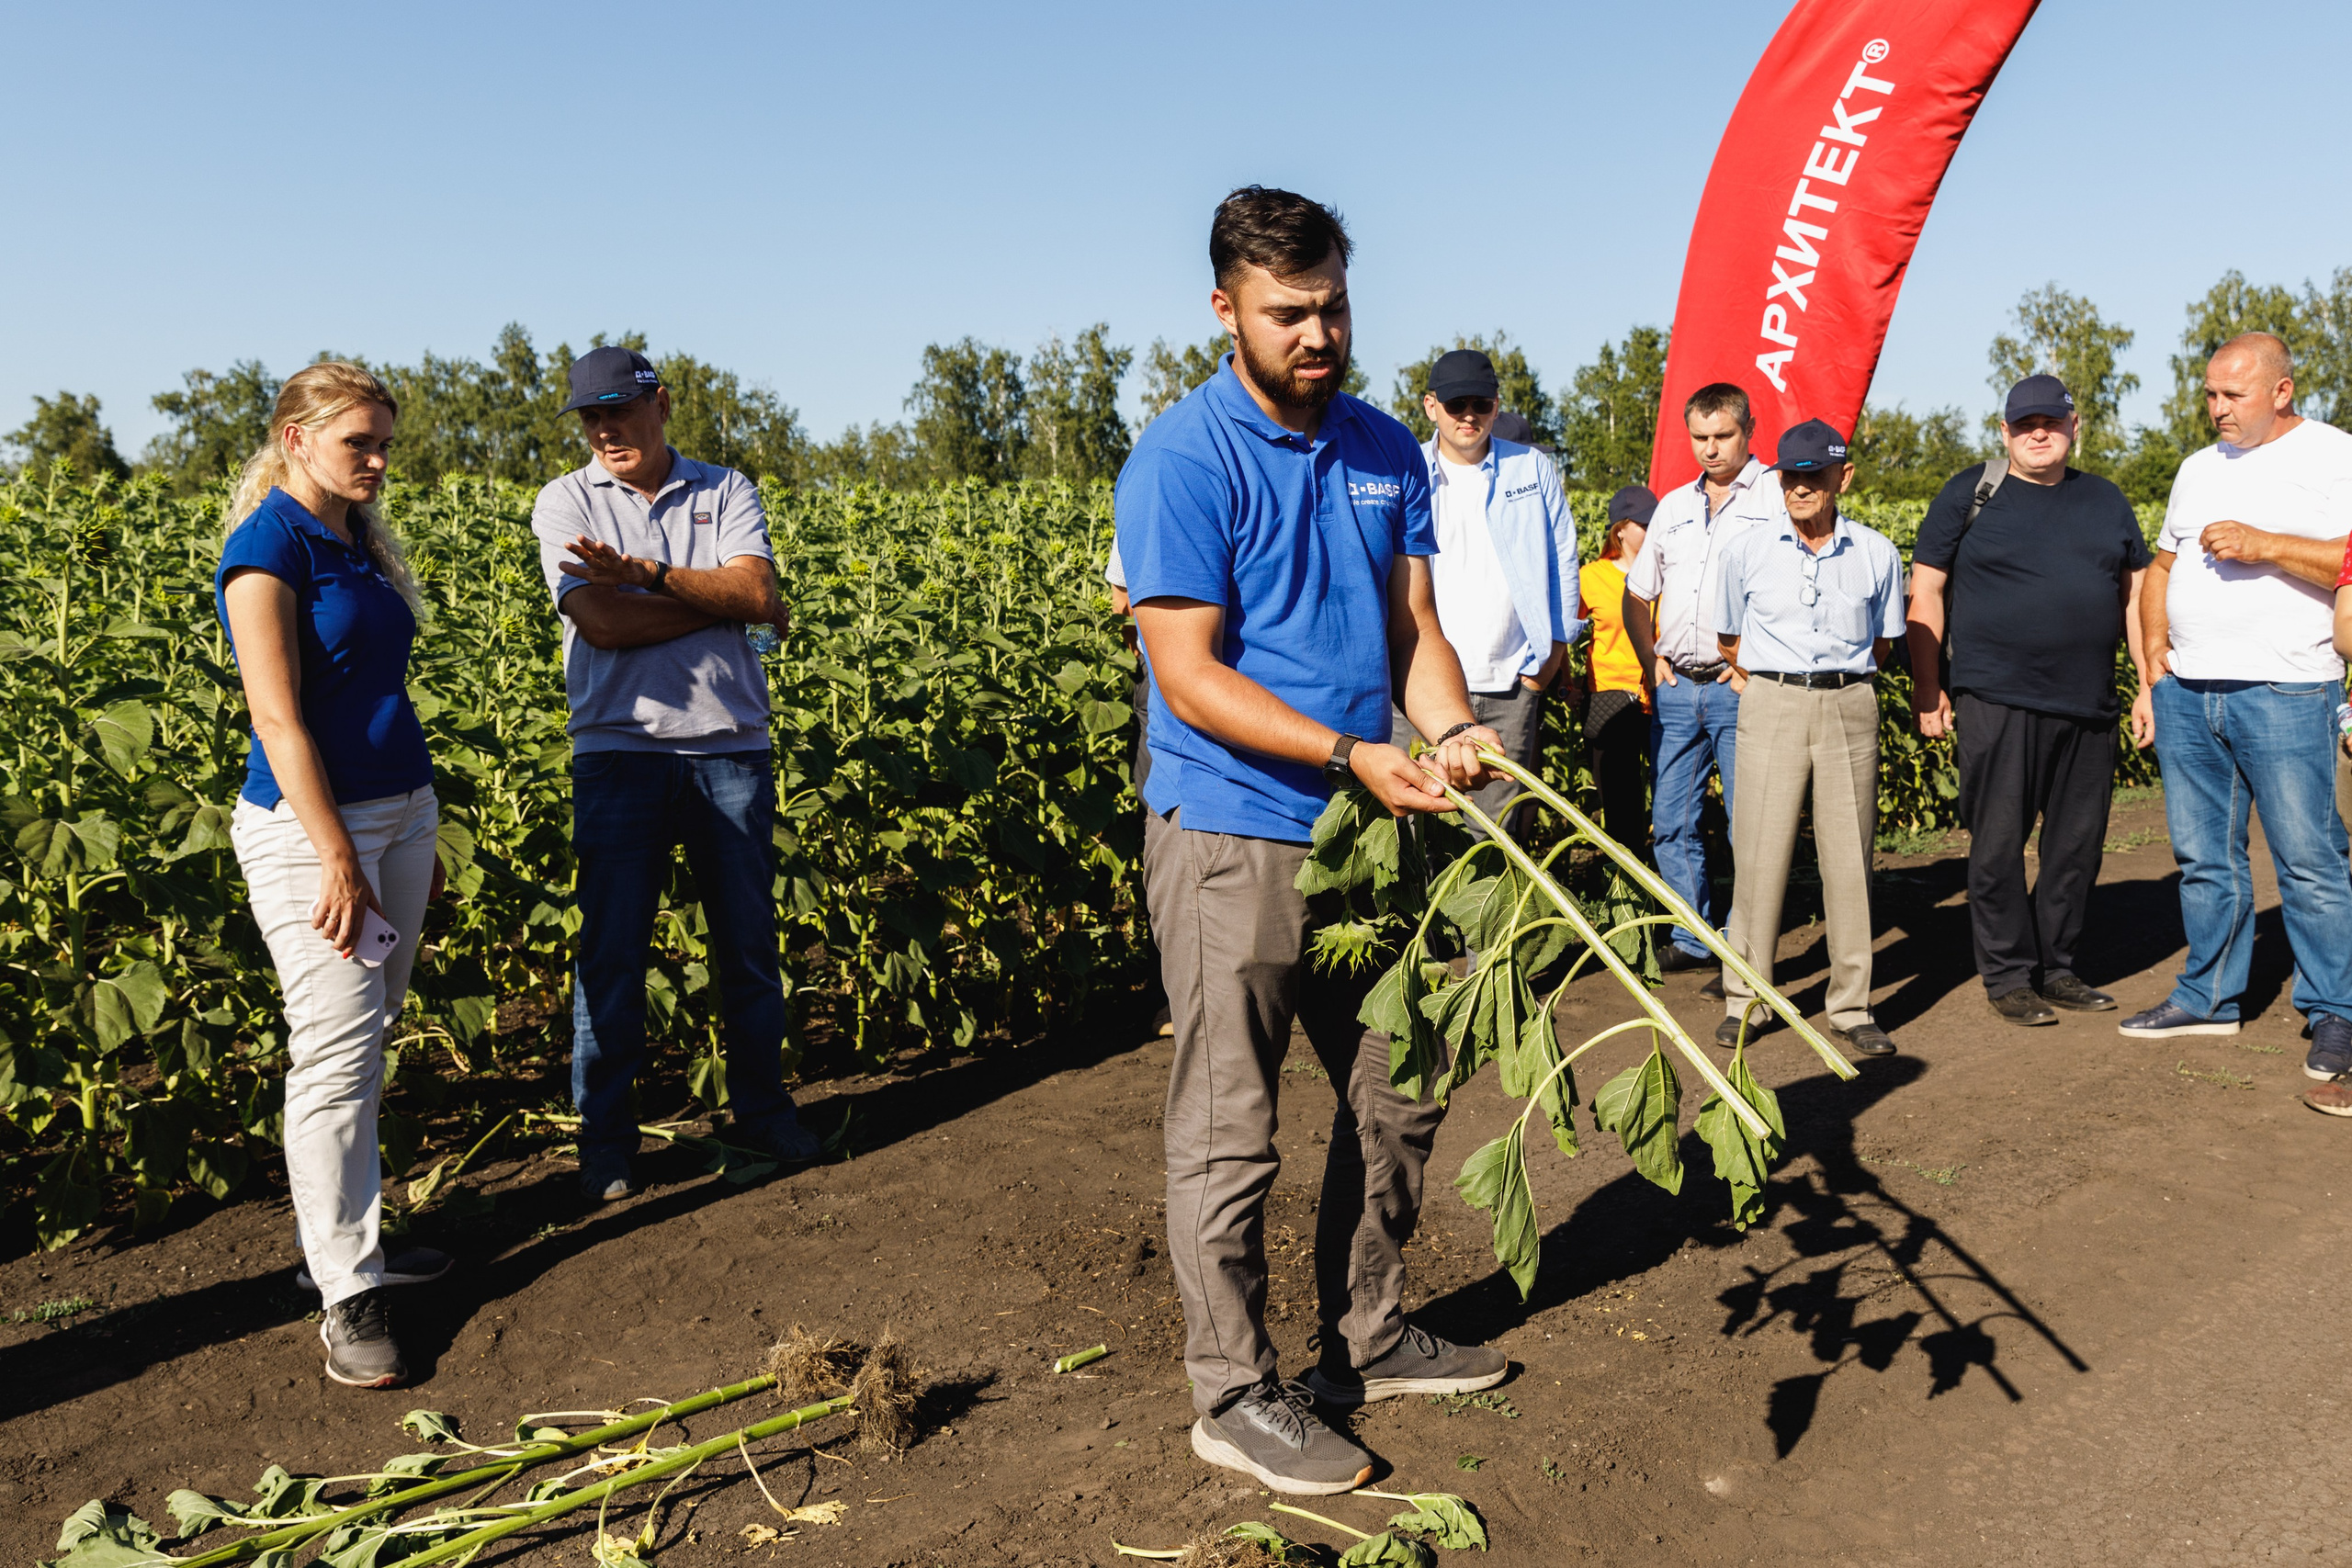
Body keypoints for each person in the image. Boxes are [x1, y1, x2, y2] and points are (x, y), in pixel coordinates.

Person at [1118, 186, 1509, 1496]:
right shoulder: (1183, 459)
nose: (1320, 332)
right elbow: (1190, 674)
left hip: (1371, 828)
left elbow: (1416, 631)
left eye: (1335, 304)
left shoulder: (1388, 446)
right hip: (1236, 832)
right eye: (1290, 312)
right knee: (1234, 1124)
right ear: (1226, 309)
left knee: (1400, 1082)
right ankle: (1232, 1388)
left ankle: (1368, 1332)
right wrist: (1349, 752)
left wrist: (1451, 728)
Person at [530, 346, 818, 1202]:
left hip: (729, 745)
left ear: (662, 403)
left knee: (748, 946)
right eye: (590, 416)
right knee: (611, 955)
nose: (605, 429)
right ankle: (609, 1144)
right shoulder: (566, 501)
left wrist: (654, 575)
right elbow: (604, 622)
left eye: (619, 409)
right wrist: (714, 598)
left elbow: (758, 596)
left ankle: (762, 1110)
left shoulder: (725, 488)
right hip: (620, 750)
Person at [219, 362, 449, 1389]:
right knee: (334, 1057)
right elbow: (275, 715)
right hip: (318, 831)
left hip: (400, 813)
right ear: (296, 438)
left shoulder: (352, 536)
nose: (378, 459)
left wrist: (401, 829)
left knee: (373, 1026)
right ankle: (346, 1292)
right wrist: (336, 854)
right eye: (359, 441)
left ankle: (366, 1245)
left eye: (384, 441)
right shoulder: (265, 546)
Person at [2123, 333, 2352, 1084]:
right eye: (2211, 394)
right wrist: (2156, 652)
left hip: (2286, 688)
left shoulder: (2332, 456)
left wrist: (2267, 545)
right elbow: (2163, 566)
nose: (2216, 408)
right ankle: (2209, 996)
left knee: (2310, 861)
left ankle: (2336, 1013)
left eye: (2233, 395)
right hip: (2189, 693)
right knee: (2203, 857)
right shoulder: (2196, 469)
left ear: (2281, 391)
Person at [1905, 375, 2152, 1026]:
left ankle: (2058, 966)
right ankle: (2009, 974)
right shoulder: (1972, 492)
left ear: (2076, 425)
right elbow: (1925, 591)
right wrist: (1927, 687)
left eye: (2050, 420)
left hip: (2089, 702)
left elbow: (2136, 598)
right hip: (1996, 696)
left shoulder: (2106, 500)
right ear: (2006, 430)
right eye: (2024, 423)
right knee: (1998, 842)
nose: (2037, 432)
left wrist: (2149, 683)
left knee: (2077, 845)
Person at [1708, 419, 1905, 1059]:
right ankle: (1747, 999)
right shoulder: (1747, 550)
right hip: (1772, 699)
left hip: (1850, 702)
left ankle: (1851, 1006)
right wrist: (1774, 676)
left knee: (1850, 860)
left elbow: (1882, 640)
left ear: (1841, 477)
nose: (1800, 487)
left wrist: (1836, 679)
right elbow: (1728, 638)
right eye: (1790, 476)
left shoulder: (1876, 553)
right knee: (1760, 853)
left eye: (1813, 476)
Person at [1623, 383, 1788, 983]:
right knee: (1670, 819)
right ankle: (1693, 935)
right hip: (1677, 688)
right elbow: (1637, 594)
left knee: (1752, 825)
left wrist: (1759, 666)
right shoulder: (1672, 505)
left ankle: (1748, 947)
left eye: (1723, 436)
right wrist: (1650, 661)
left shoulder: (1774, 496)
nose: (1711, 449)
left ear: (1749, 430)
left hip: (1739, 689)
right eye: (1700, 438)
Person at [1393, 348, 1582, 837]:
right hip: (1420, 688)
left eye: (1480, 404)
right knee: (1412, 832)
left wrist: (1550, 659)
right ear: (1431, 406)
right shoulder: (1404, 469)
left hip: (1510, 686)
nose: (1469, 416)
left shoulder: (1532, 468)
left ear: (1497, 406)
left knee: (1496, 839)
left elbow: (1562, 557)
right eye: (1456, 405)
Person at [1577, 485, 1657, 850]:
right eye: (1644, 523)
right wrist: (1565, 683)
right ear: (1620, 528)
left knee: (1668, 798)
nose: (1652, 529)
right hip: (1611, 696)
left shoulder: (1665, 572)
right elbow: (1561, 634)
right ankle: (1626, 887)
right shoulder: (1590, 577)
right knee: (1621, 802)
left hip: (1660, 693)